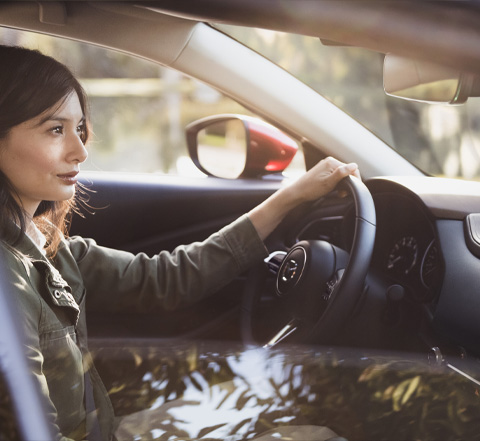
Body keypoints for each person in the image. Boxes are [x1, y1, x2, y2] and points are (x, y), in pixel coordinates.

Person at [0, 45, 359, 441]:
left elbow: (166, 279)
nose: (80, 151)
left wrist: (291, 197)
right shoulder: (6, 279)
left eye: (79, 128)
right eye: (55, 129)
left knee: (279, 393)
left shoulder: (50, 248)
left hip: (106, 429)